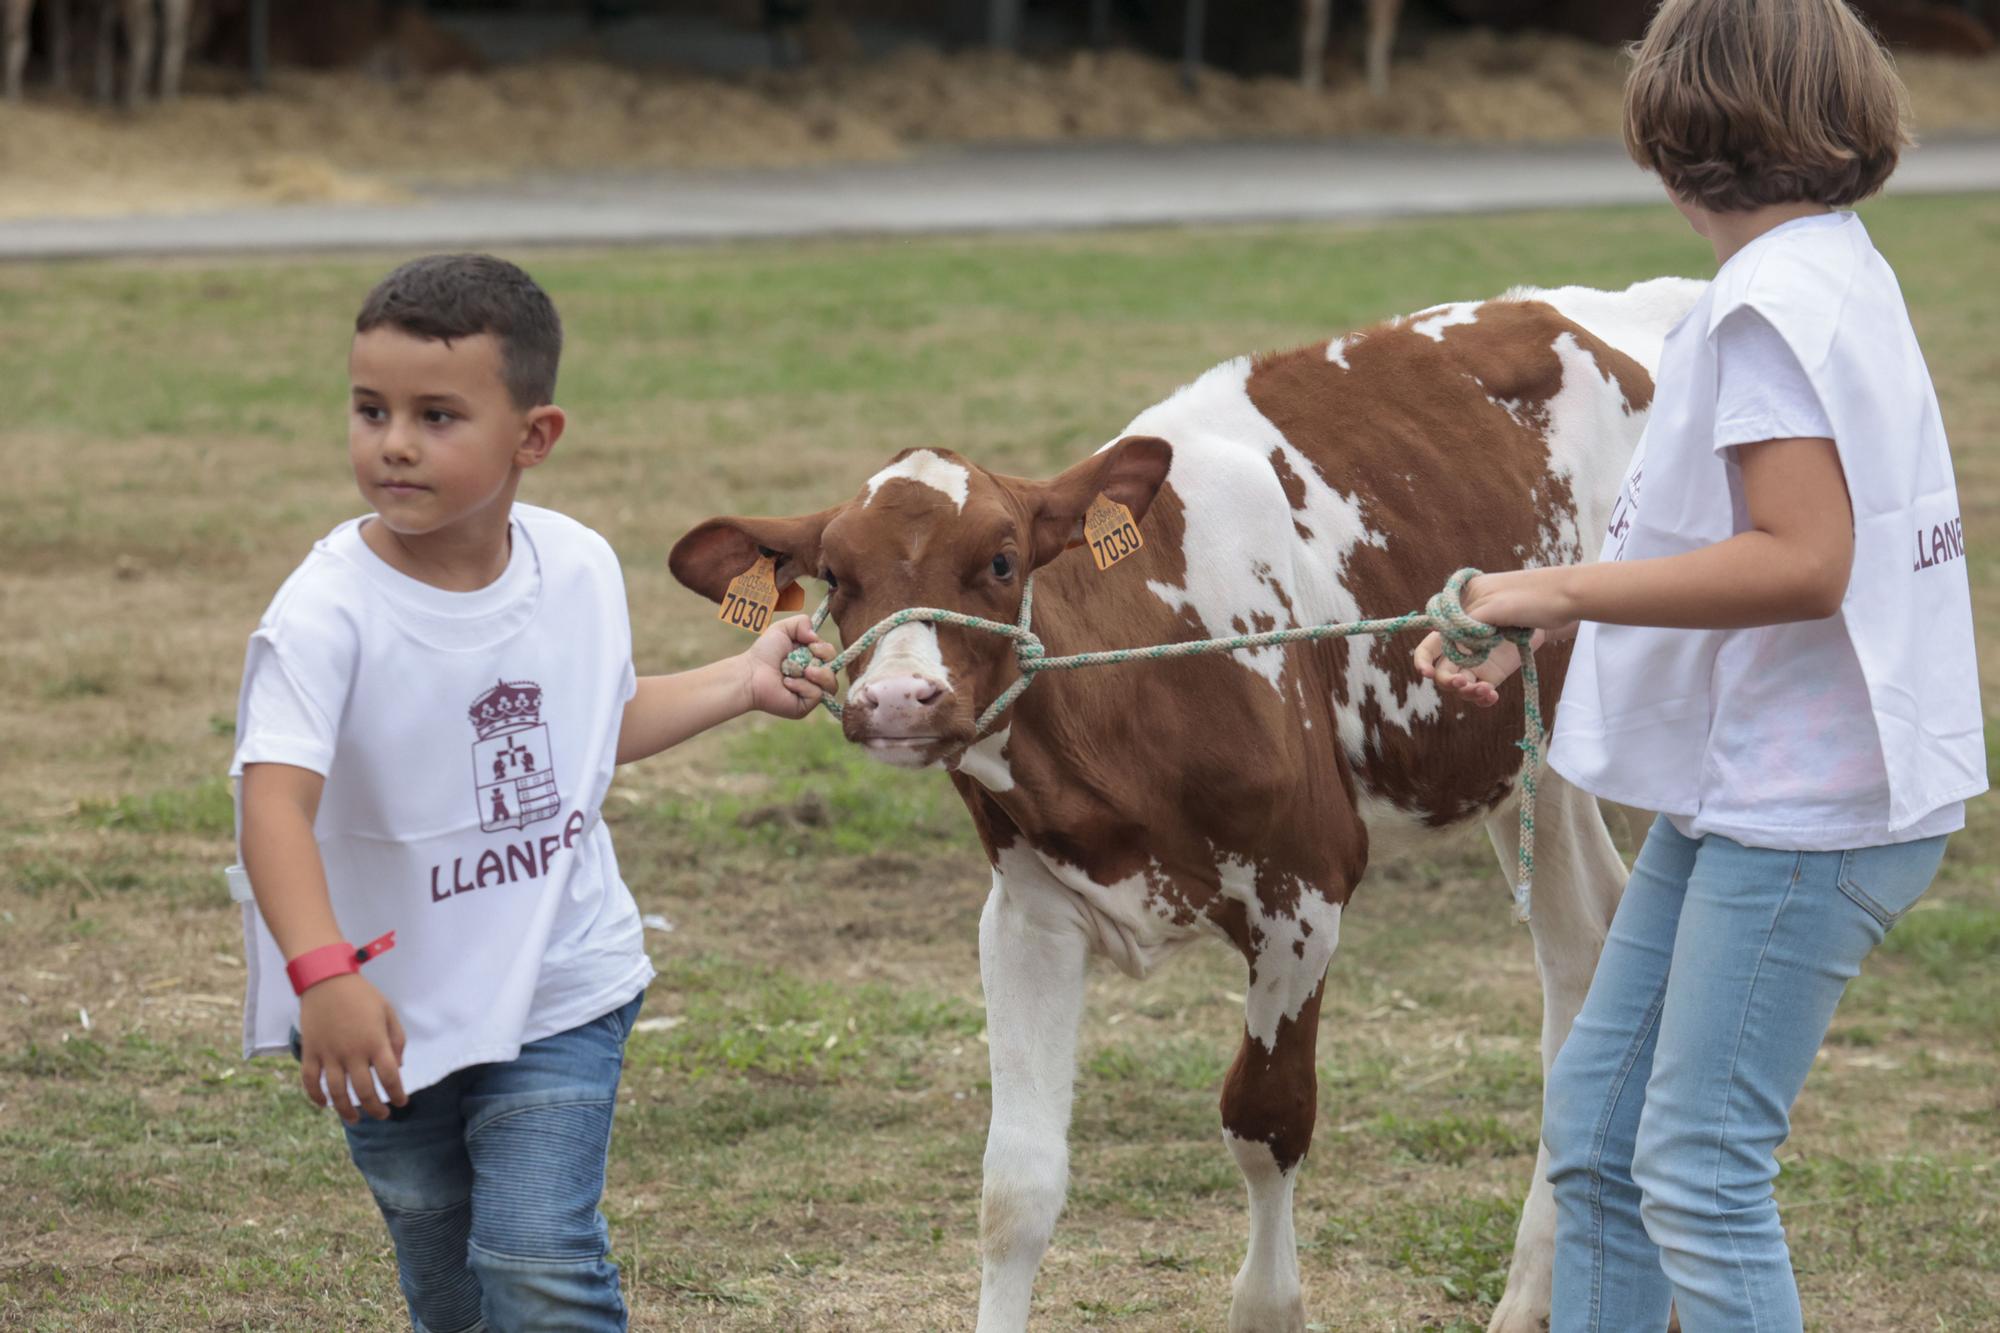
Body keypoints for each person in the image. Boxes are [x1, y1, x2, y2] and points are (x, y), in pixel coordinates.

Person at [1412, 2, 1986, 1329]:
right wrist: (1558, 622)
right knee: (1601, 1133)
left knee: (1695, 1166)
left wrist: (1552, 583)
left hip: (1810, 810)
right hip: (1755, 791)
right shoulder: (1830, 267)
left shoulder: (1768, 310)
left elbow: (1804, 558)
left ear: (1670, 134)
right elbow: (1737, 540)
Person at [227, 253, 837, 1332]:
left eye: (436, 414)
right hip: (383, 1012)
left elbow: (585, 731)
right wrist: (322, 976)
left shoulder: (578, 567)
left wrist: (739, 682)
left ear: (534, 436)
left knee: (533, 1252)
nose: (394, 442)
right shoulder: (324, 614)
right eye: (370, 410)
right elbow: (272, 804)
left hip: (563, 979)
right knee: (440, 1258)